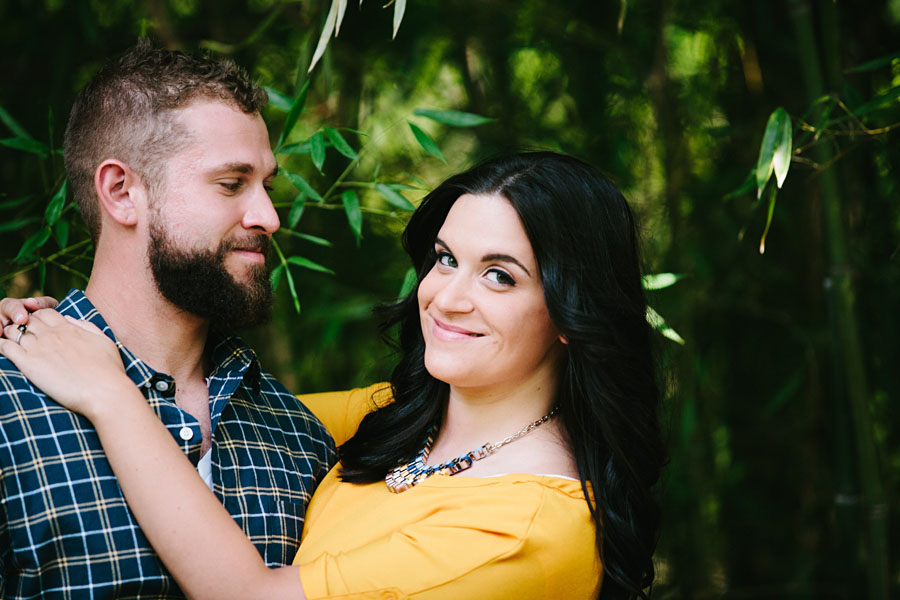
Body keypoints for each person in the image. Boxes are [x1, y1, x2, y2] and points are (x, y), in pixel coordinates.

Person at [1, 152, 665, 599]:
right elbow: (208, 411)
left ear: (572, 314)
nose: (448, 297)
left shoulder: (528, 527)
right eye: (444, 259)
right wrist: (61, 335)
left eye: (500, 275)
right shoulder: (399, 414)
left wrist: (108, 394)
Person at [0, 40, 334, 598]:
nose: (270, 217)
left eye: (267, 186)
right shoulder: (10, 407)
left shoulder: (299, 437)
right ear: (122, 192)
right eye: (231, 184)